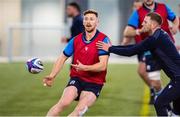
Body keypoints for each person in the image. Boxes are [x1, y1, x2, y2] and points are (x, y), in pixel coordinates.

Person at [97, 12, 180, 116]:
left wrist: (110, 48)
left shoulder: (154, 39)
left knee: (159, 103)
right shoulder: (159, 35)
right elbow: (133, 48)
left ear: (153, 25)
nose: (142, 24)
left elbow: (131, 51)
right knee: (176, 112)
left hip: (178, 79)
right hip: (177, 78)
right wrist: (111, 47)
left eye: (145, 22)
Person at [43, 9, 111, 116]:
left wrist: (85, 67)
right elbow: (62, 57)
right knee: (63, 103)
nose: (88, 22)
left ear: (97, 22)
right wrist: (52, 75)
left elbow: (102, 66)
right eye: (86, 19)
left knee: (79, 110)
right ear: (83, 22)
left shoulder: (103, 40)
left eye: (92, 19)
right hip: (77, 79)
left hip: (94, 83)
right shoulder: (76, 40)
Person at [121, 0, 179, 104]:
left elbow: (175, 20)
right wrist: (139, 31)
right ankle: (159, 94)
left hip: (166, 47)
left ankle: (164, 96)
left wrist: (175, 27)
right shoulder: (138, 12)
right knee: (147, 75)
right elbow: (127, 32)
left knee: (175, 74)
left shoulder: (163, 7)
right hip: (149, 48)